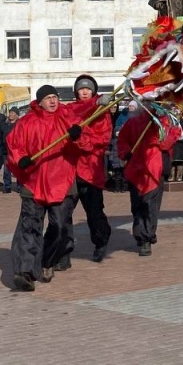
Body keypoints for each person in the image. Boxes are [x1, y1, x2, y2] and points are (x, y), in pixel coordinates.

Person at [7, 85, 83, 291]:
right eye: (48, 98)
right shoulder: (26, 122)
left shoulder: (68, 118)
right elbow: (14, 145)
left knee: (59, 227)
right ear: (39, 101)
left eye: (55, 97)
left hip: (62, 181)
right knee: (30, 227)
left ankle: (48, 261)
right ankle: (26, 272)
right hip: (34, 182)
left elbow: (86, 144)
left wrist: (77, 136)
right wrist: (20, 159)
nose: (53, 101)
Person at [60, 74, 113, 267]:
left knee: (94, 212)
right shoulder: (69, 110)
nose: (84, 91)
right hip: (70, 171)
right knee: (62, 214)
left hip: (90, 170)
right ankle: (63, 252)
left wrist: (80, 138)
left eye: (88, 88)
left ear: (94, 90)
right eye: (81, 88)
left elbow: (102, 139)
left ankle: (101, 241)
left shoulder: (102, 109)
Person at [117, 106, 181, 257]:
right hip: (135, 169)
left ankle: (146, 237)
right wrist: (125, 152)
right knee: (137, 205)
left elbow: (167, 142)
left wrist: (158, 128)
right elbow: (123, 140)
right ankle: (144, 233)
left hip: (154, 169)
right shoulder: (132, 123)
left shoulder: (166, 122)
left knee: (150, 205)